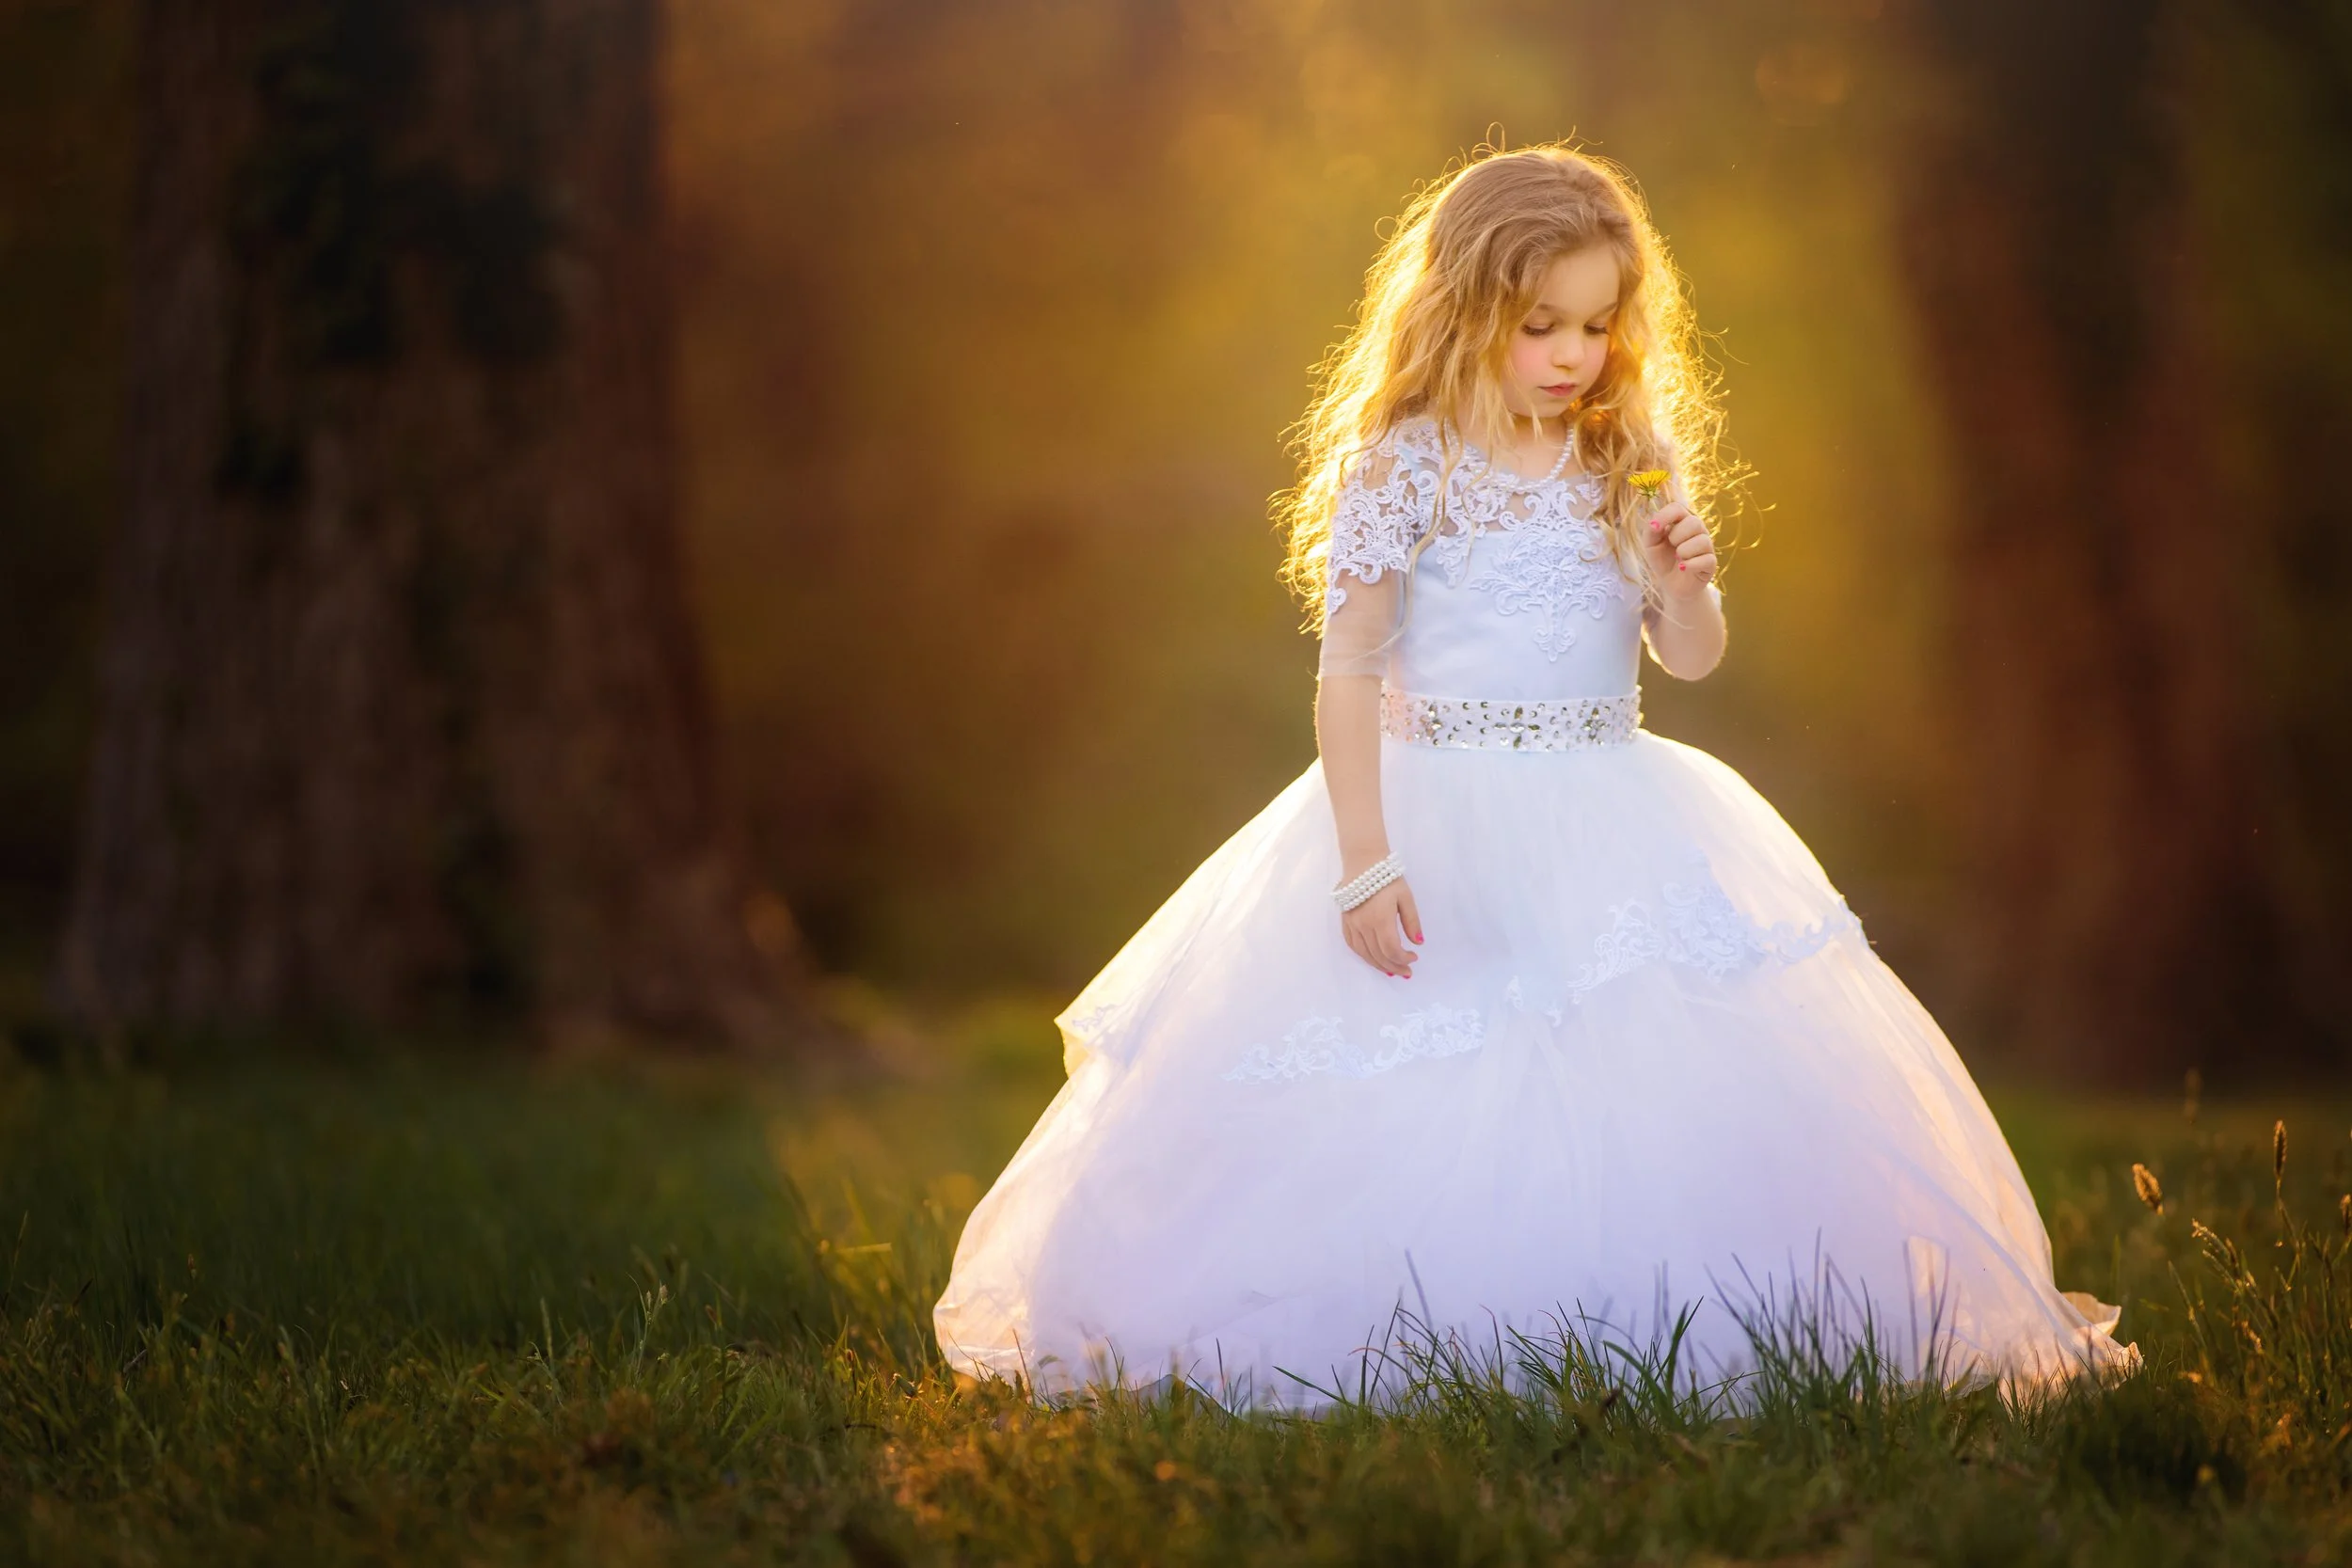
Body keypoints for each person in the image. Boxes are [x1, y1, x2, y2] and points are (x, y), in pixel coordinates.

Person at [931, 143, 2137, 1411]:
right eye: (1540, 325)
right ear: (1464, 312)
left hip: (1610, 801)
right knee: (1435, 1065)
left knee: (1638, 1073)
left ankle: (1654, 1322)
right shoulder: (1407, 461)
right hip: (1434, 804)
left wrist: (1687, 575)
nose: (1573, 354)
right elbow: (1347, 669)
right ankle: (1414, 1324)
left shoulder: (1628, 453)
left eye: (1600, 325)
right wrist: (1365, 853)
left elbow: (1692, 657)